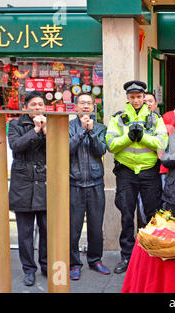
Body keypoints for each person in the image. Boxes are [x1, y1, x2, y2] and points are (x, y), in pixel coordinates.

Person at [106, 80, 168, 274]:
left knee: (152, 215)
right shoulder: (118, 118)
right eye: (132, 97)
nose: (135, 100)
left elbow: (162, 143)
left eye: (139, 97)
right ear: (127, 98)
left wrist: (142, 137)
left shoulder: (155, 118)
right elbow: (111, 145)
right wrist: (127, 137)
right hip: (126, 173)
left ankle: (150, 255)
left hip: (149, 172)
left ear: (144, 98)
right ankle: (127, 256)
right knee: (126, 214)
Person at [8, 91, 48, 286]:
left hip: (45, 183)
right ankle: (28, 270)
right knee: (24, 233)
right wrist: (36, 131)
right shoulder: (16, 124)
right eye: (33, 104)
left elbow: (61, 149)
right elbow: (16, 145)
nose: (37, 107)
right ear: (26, 107)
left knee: (47, 230)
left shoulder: (52, 123)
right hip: (22, 184)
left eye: (40, 104)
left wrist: (46, 131)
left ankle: (46, 265)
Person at [68, 92, 109, 280]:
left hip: (95, 183)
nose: (85, 106)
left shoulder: (100, 128)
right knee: (73, 227)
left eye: (88, 103)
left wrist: (91, 131)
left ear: (93, 107)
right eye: (82, 103)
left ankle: (95, 260)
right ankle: (74, 263)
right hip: (74, 183)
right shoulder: (68, 128)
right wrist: (82, 132)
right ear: (76, 107)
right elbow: (67, 148)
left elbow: (101, 150)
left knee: (95, 226)